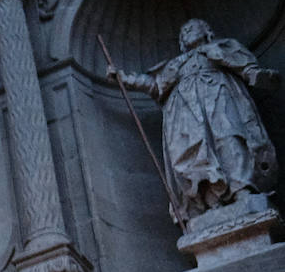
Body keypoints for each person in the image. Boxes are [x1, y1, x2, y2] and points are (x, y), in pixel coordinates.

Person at [109, 19, 279, 222]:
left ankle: (242, 190)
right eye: (183, 31)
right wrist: (123, 78)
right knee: (193, 153)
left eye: (192, 27)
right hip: (185, 111)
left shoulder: (222, 48)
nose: (187, 31)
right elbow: (155, 85)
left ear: (207, 30)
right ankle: (209, 203)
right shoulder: (176, 64)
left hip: (219, 98)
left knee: (230, 140)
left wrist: (261, 76)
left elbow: (246, 67)